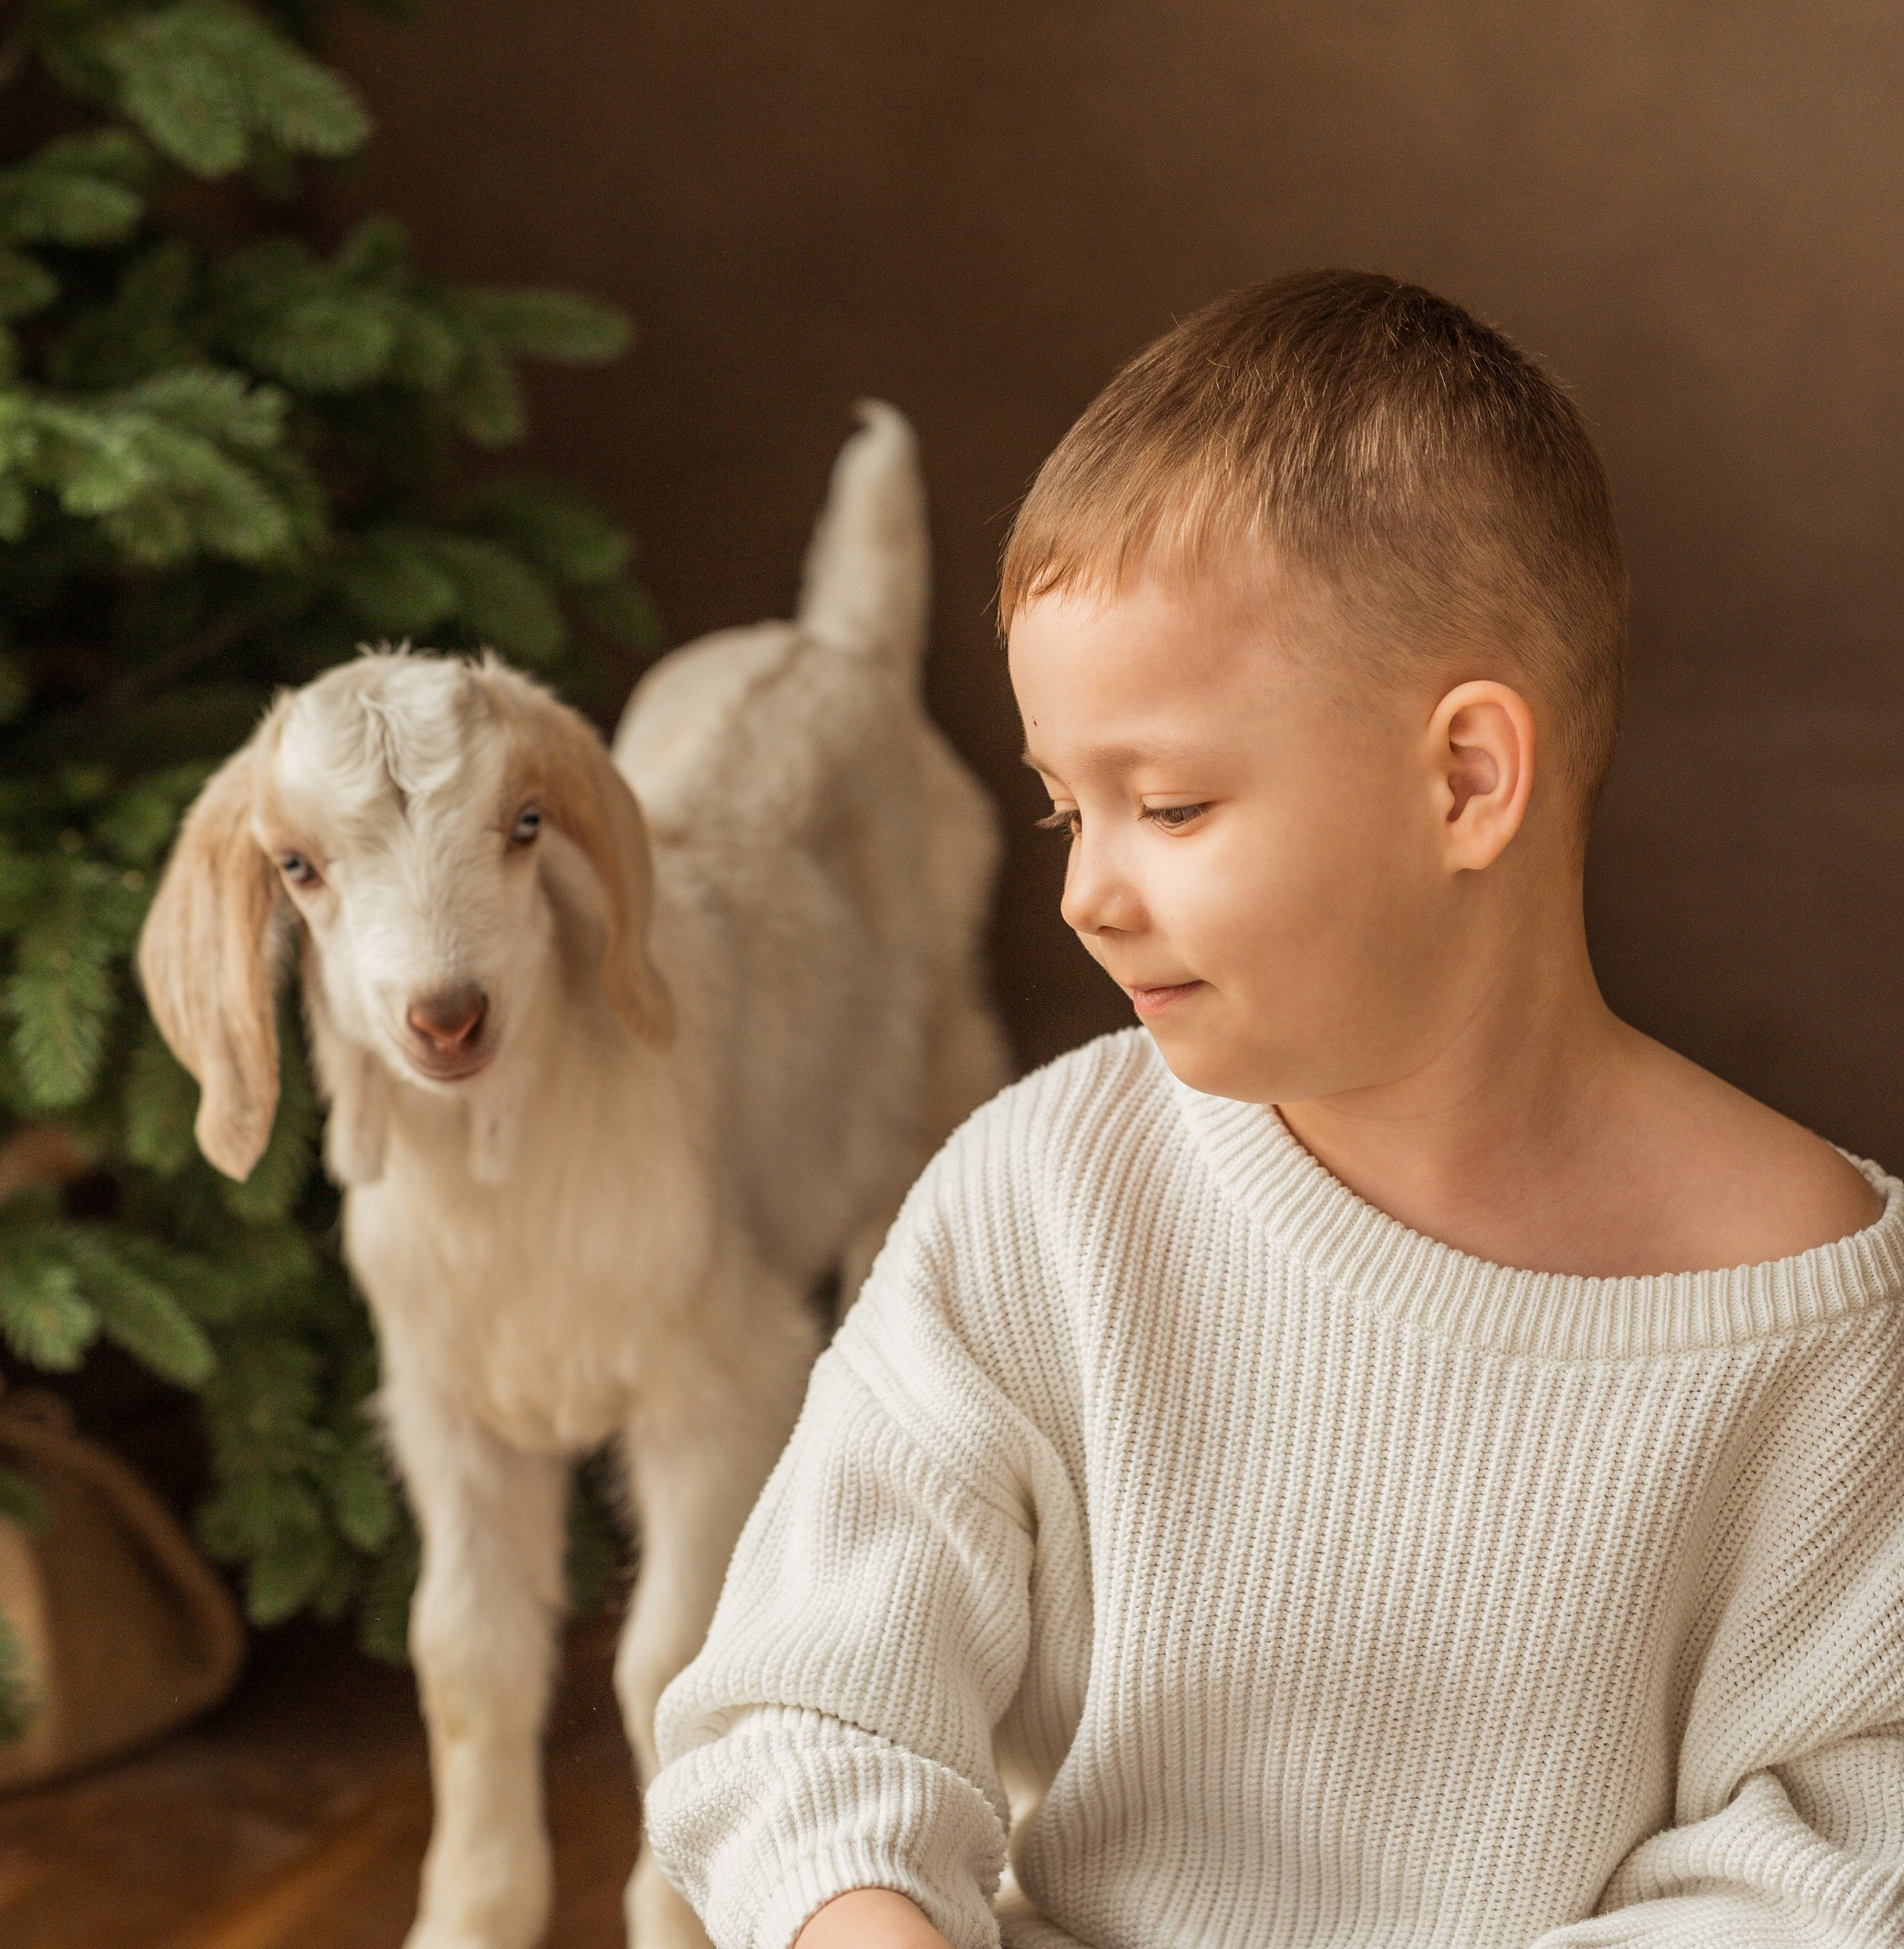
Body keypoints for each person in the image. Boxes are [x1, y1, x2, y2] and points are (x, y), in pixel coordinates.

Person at [643, 270, 1904, 1949]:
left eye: (1165, 803)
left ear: (1463, 778)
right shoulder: (1045, 1191)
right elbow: (804, 1709)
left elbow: (1828, 1862)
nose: (1087, 891)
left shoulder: (1816, 1317)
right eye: (1059, 811)